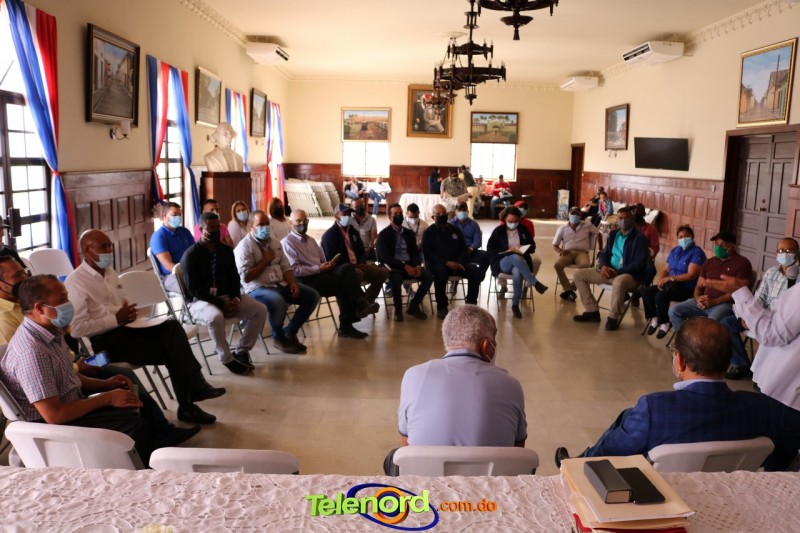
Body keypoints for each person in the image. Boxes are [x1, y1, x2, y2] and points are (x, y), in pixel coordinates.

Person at [555, 317, 800, 472]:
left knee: (630, 418)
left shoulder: (654, 408)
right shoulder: (763, 407)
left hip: (661, 500)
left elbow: (608, 455)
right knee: (629, 415)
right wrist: (772, 469)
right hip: (726, 494)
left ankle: (574, 462)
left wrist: (584, 463)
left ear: (680, 359)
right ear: (727, 363)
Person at [0, 269, 200, 449]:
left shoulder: (53, 328)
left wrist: (105, 384)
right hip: (98, 353)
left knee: (162, 342)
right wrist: (104, 392)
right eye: (63, 299)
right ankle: (165, 431)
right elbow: (78, 331)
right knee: (122, 375)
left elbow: (64, 376)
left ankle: (169, 427)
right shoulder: (33, 349)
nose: (69, 303)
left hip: (86, 358)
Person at [66, 229, 224, 425]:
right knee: (174, 349)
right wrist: (115, 319)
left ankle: (192, 397)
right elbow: (77, 329)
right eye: (103, 247)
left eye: (110, 246)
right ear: (87, 251)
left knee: (172, 327)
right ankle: (191, 398)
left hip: (128, 331)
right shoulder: (76, 282)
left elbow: (124, 302)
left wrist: (130, 314)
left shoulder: (110, 272)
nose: (109, 251)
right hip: (103, 347)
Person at [383, 305, 527, 475]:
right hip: (491, 486)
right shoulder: (510, 384)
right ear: (486, 345)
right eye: (494, 340)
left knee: (393, 457)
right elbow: (518, 450)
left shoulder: (413, 376)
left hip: (427, 486)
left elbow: (407, 442)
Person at [181, 212, 268, 375]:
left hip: (226, 297)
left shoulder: (226, 251)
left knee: (260, 309)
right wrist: (221, 304)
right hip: (200, 301)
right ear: (201, 229)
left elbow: (235, 278)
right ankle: (227, 359)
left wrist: (235, 298)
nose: (215, 231)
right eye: (210, 228)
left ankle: (241, 350)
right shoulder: (191, 255)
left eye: (217, 227)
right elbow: (193, 290)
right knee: (215, 317)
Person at [234, 210, 319, 354]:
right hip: (257, 288)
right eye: (260, 225)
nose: (265, 227)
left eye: (267, 224)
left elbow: (286, 266)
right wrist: (265, 260)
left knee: (312, 296)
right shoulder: (244, 246)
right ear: (251, 226)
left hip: (279, 284)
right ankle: (278, 338)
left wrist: (292, 283)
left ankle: (290, 332)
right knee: (277, 300)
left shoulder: (274, 242)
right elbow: (246, 277)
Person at [282, 209, 374, 339]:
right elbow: (295, 269)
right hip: (304, 280)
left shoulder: (311, 240)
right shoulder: (288, 242)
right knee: (345, 283)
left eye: (305, 220)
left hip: (321, 275)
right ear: (291, 223)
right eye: (298, 221)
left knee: (347, 269)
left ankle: (357, 308)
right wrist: (318, 269)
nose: (302, 223)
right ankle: (356, 310)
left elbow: (322, 259)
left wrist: (327, 265)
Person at [721, 237, 798, 380]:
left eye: (789, 250)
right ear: (776, 253)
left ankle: (766, 374)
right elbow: (759, 298)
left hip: (782, 322)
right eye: (781, 251)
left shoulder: (797, 278)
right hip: (762, 315)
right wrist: (747, 315)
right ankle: (742, 365)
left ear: (797, 253)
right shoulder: (771, 272)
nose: (785, 254)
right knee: (726, 323)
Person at [573, 207, 649, 331]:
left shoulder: (640, 238)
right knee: (578, 274)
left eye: (626, 218)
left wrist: (617, 272)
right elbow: (604, 254)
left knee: (619, 282)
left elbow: (639, 264)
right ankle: (592, 311)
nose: (623, 220)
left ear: (632, 219)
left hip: (629, 275)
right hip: (609, 271)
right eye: (620, 218)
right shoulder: (614, 234)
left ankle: (613, 317)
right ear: (617, 220)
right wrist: (604, 267)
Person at [668, 230, 752, 332]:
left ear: (731, 245)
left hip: (724, 304)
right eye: (716, 244)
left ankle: (700, 341)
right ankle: (685, 339)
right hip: (703, 302)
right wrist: (699, 298)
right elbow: (698, 287)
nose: (718, 247)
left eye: (722, 244)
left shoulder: (742, 263)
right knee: (674, 311)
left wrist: (714, 301)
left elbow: (740, 291)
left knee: (708, 323)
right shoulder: (709, 263)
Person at [642, 225, 706, 339]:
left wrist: (671, 278)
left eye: (687, 236)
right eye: (681, 237)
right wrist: (661, 280)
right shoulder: (675, 251)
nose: (684, 239)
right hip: (671, 285)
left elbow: (691, 275)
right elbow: (665, 270)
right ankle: (654, 318)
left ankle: (665, 322)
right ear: (677, 239)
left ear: (692, 236)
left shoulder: (697, 253)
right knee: (646, 292)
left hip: (686, 287)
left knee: (660, 296)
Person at [423, 204, 484, 319]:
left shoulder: (455, 230)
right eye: (438, 214)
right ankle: (442, 306)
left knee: (474, 270)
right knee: (440, 272)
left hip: (458, 264)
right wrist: (446, 263)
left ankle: (471, 305)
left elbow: (463, 249)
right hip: (439, 264)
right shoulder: (429, 232)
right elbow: (428, 254)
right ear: (433, 217)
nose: (442, 216)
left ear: (447, 214)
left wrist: (460, 263)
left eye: (443, 213)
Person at [321, 204, 388, 305]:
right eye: (344, 213)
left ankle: (367, 302)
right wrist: (354, 266)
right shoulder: (329, 236)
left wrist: (362, 263)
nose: (347, 216)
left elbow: (361, 251)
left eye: (349, 214)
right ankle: (359, 305)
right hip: (342, 270)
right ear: (336, 216)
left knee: (383, 272)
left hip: (358, 266)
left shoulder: (353, 231)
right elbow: (333, 260)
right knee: (357, 273)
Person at [487, 206, 548, 319]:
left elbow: (532, 246)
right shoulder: (498, 231)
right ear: (505, 219)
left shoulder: (523, 229)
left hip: (520, 263)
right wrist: (506, 250)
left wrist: (522, 247)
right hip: (502, 263)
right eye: (510, 221)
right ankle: (534, 282)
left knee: (517, 271)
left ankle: (515, 304)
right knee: (513, 255)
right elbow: (490, 249)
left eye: (516, 221)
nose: (513, 223)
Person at [376, 203, 433, 322]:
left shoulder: (408, 233)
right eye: (395, 214)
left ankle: (414, 305)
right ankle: (398, 309)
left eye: (400, 213)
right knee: (396, 279)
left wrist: (417, 266)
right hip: (393, 267)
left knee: (428, 276)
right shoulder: (383, 235)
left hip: (410, 265)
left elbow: (415, 253)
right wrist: (405, 266)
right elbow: (386, 258)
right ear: (389, 216)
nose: (399, 216)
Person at [552, 206, 600, 302]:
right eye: (573, 213)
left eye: (577, 214)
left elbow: (599, 234)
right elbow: (555, 245)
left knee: (585, 266)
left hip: (582, 253)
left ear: (581, 215)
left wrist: (600, 250)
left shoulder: (587, 225)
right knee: (557, 265)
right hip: (568, 252)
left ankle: (571, 288)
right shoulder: (563, 228)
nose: (575, 216)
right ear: (569, 214)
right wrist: (560, 251)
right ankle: (568, 288)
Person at [150, 202, 195, 293]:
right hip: (171, 276)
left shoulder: (184, 232)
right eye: (174, 215)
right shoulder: (159, 236)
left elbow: (195, 253)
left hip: (190, 271)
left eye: (180, 214)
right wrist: (188, 274)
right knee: (195, 285)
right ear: (164, 216)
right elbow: (168, 265)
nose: (178, 217)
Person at [449, 202, 490, 282]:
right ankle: (456, 281)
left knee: (487, 255)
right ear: (455, 212)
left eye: (464, 210)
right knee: (461, 259)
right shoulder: (450, 224)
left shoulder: (474, 224)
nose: (462, 212)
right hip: (456, 253)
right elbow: (447, 241)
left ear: (467, 211)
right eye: (459, 210)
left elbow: (477, 242)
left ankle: (479, 277)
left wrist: (471, 249)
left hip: (471, 251)